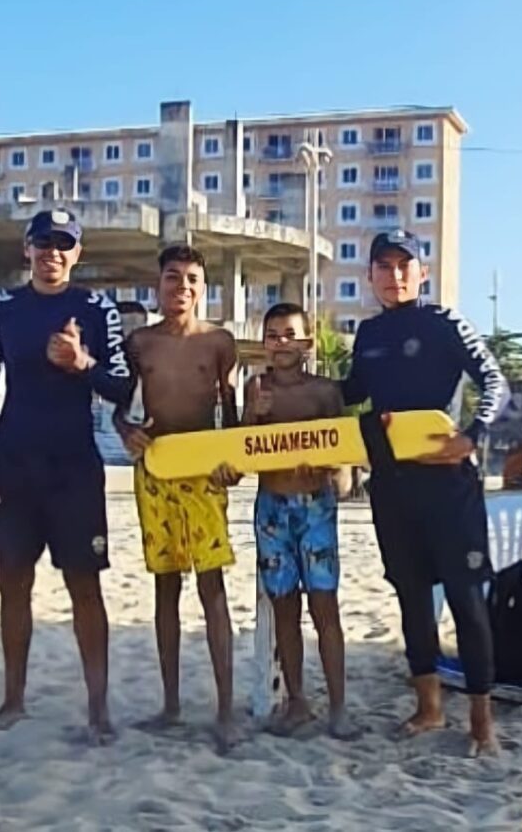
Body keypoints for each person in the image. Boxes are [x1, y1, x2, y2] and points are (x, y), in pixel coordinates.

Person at [0, 208, 133, 742]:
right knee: (14, 585)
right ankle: (13, 700)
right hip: (13, 465)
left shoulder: (95, 307)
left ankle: (99, 709)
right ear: (27, 249)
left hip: (74, 470)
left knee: (84, 585)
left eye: (64, 244)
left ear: (77, 254)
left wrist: (81, 363)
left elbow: (122, 387)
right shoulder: (4, 308)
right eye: (44, 243)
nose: (52, 253)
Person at [343, 230, 508, 757]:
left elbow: (494, 383)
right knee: (412, 600)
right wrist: (284, 382)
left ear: (422, 273)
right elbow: (349, 395)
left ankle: (482, 721)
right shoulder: (367, 333)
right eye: (383, 267)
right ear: (369, 276)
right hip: (392, 488)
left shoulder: (445, 323)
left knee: (466, 602)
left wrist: (473, 435)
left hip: (448, 487)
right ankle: (430, 708)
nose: (394, 276)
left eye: (403, 266)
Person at [113, 244, 240, 753]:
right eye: (172, 278)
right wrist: (126, 432)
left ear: (202, 288)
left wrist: (233, 460)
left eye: (191, 280)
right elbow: (121, 408)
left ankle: (225, 709)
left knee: (212, 589)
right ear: (157, 285)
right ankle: (170, 704)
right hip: (156, 469)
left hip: (204, 471)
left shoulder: (219, 342)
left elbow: (229, 410)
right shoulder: (139, 343)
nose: (181, 288)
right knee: (165, 589)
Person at [229, 302, 356, 739]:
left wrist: (330, 476)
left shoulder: (324, 392)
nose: (281, 343)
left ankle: (338, 705)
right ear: (263, 342)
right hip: (271, 509)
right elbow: (243, 448)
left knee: (325, 606)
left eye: (290, 335)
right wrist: (254, 413)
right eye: (273, 335)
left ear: (307, 342)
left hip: (316, 508)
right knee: (285, 608)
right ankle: (297, 701)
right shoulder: (254, 386)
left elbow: (343, 459)